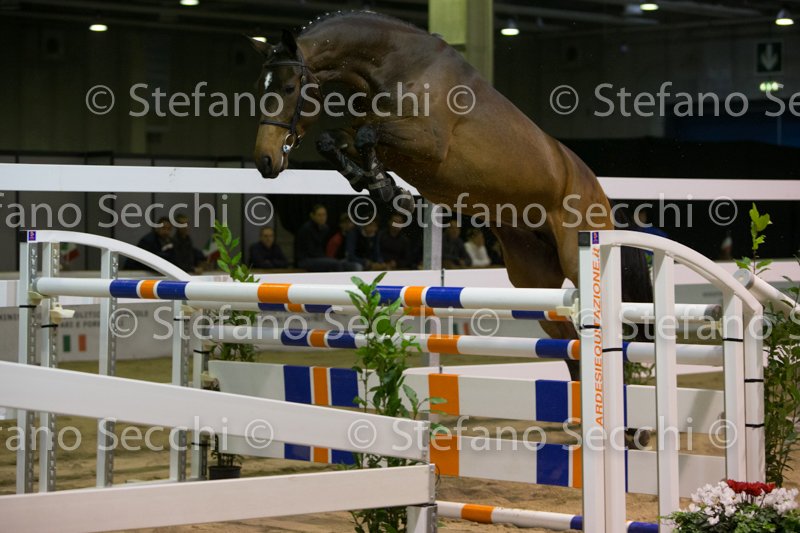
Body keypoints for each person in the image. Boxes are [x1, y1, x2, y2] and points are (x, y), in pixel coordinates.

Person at [295, 205, 360, 271]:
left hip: (321, 258)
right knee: (336, 264)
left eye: (324, 215)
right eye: (319, 215)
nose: (322, 218)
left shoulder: (325, 228)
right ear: (312, 216)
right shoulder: (306, 229)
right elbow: (311, 251)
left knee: (354, 266)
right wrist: (327, 258)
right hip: (306, 260)